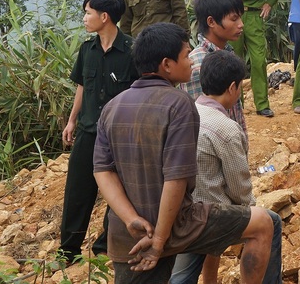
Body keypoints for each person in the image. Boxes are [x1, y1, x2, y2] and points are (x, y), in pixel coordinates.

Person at [93, 22, 273, 284]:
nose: (191, 63)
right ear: (167, 64)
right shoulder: (180, 104)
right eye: (186, 56)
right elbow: (175, 178)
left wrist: (131, 219)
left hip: (126, 234)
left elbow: (102, 171)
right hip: (176, 225)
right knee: (264, 223)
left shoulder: (112, 107)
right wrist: (159, 240)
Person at [170, 50, 283, 284]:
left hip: (179, 210)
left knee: (182, 274)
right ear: (232, 88)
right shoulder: (227, 129)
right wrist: (250, 213)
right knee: (269, 221)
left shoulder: (184, 115)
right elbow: (239, 189)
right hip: (208, 217)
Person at [59, 0, 139, 264]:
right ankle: (67, 252)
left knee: (116, 193)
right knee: (77, 193)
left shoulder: (132, 51)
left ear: (104, 17)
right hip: (88, 131)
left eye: (88, 12)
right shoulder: (87, 50)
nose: (84, 18)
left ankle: (104, 248)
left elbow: (141, 92)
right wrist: (72, 120)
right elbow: (83, 85)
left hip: (120, 137)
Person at [213, 0, 285, 118]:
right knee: (232, 61)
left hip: (254, 16)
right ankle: (236, 104)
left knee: (258, 60)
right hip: (231, 18)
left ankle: (262, 104)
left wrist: (269, 3)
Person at [179, 0, 247, 131]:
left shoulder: (228, 54)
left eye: (240, 17)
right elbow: (198, 122)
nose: (241, 25)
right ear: (211, 22)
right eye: (234, 19)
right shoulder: (197, 65)